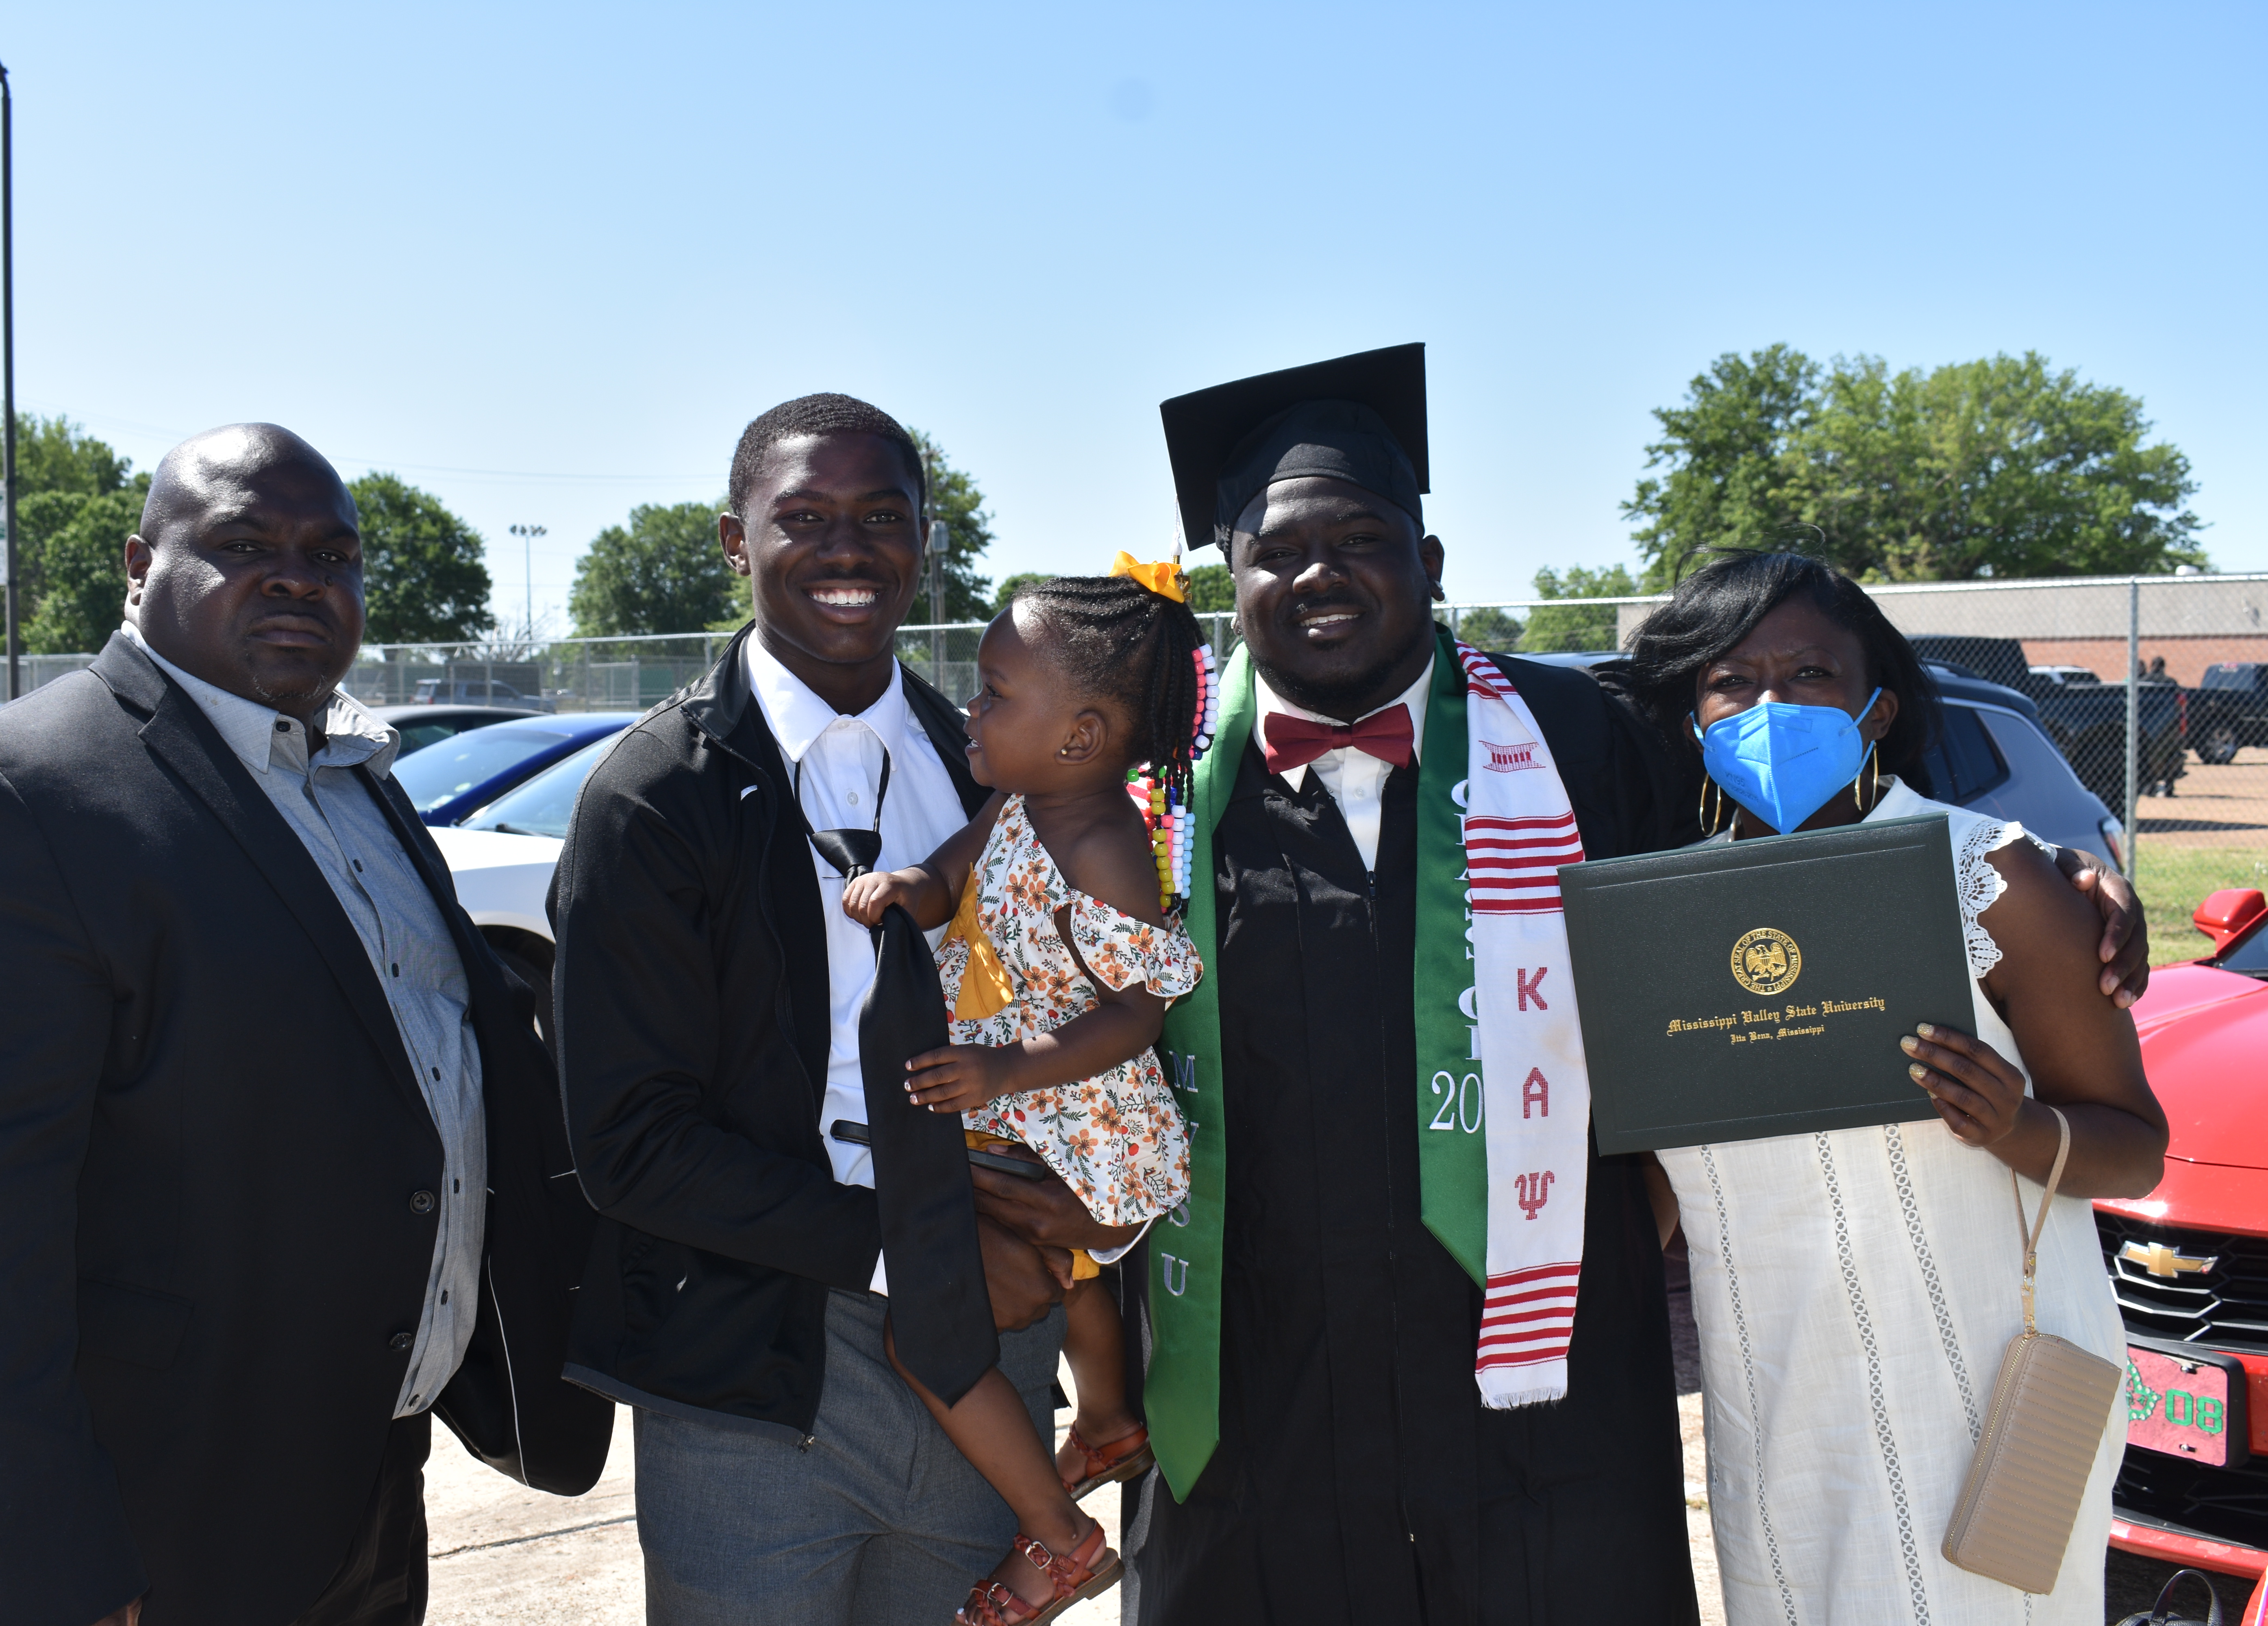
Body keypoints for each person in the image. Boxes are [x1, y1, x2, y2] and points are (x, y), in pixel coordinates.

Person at [1042, 345, 2157, 1626]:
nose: (1321, 576)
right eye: (1279, 552)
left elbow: (1800, 832)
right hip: (1257, 1372)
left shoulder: (1581, 737)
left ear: (1432, 563)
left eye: (1364, 537)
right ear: (1227, 583)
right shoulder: (1146, 785)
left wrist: (2060, 874)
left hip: (1543, 1377)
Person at [0, 423, 611, 1624]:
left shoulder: (356, 784)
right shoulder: (6, 793)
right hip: (142, 1517)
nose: (301, 575)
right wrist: (48, 1569)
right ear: (140, 566)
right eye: (245, 543)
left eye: (334, 552)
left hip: (357, 1479)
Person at [550, 394, 1113, 1624]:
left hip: (989, 1339)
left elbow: (1098, 1017)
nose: (846, 549)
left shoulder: (996, 767)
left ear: (925, 539)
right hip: (755, 1361)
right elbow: (629, 1142)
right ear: (733, 541)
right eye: (801, 517)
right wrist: (901, 1253)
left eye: (880, 516)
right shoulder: (655, 797)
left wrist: (1089, 1209)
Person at [1622, 550, 2165, 1623]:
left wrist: (2019, 1128)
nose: (1769, 707)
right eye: (1732, 681)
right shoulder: (1653, 926)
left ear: (1876, 709)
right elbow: (1660, 1201)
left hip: (1984, 1414)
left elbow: (2135, 1145)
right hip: (1780, 1424)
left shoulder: (1993, 878)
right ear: (1690, 713)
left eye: (1810, 675)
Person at [841, 567, 1209, 1624]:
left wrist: (1007, 1068)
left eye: (997, 691)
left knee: (930, 1330)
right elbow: (956, 868)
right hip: (1028, 1118)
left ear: (1082, 735)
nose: (971, 707)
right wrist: (912, 889)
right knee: (1063, 1270)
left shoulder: (1102, 850)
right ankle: (1108, 1420)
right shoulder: (1017, 802)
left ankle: (1058, 1539)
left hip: (1087, 1134)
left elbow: (1136, 1013)